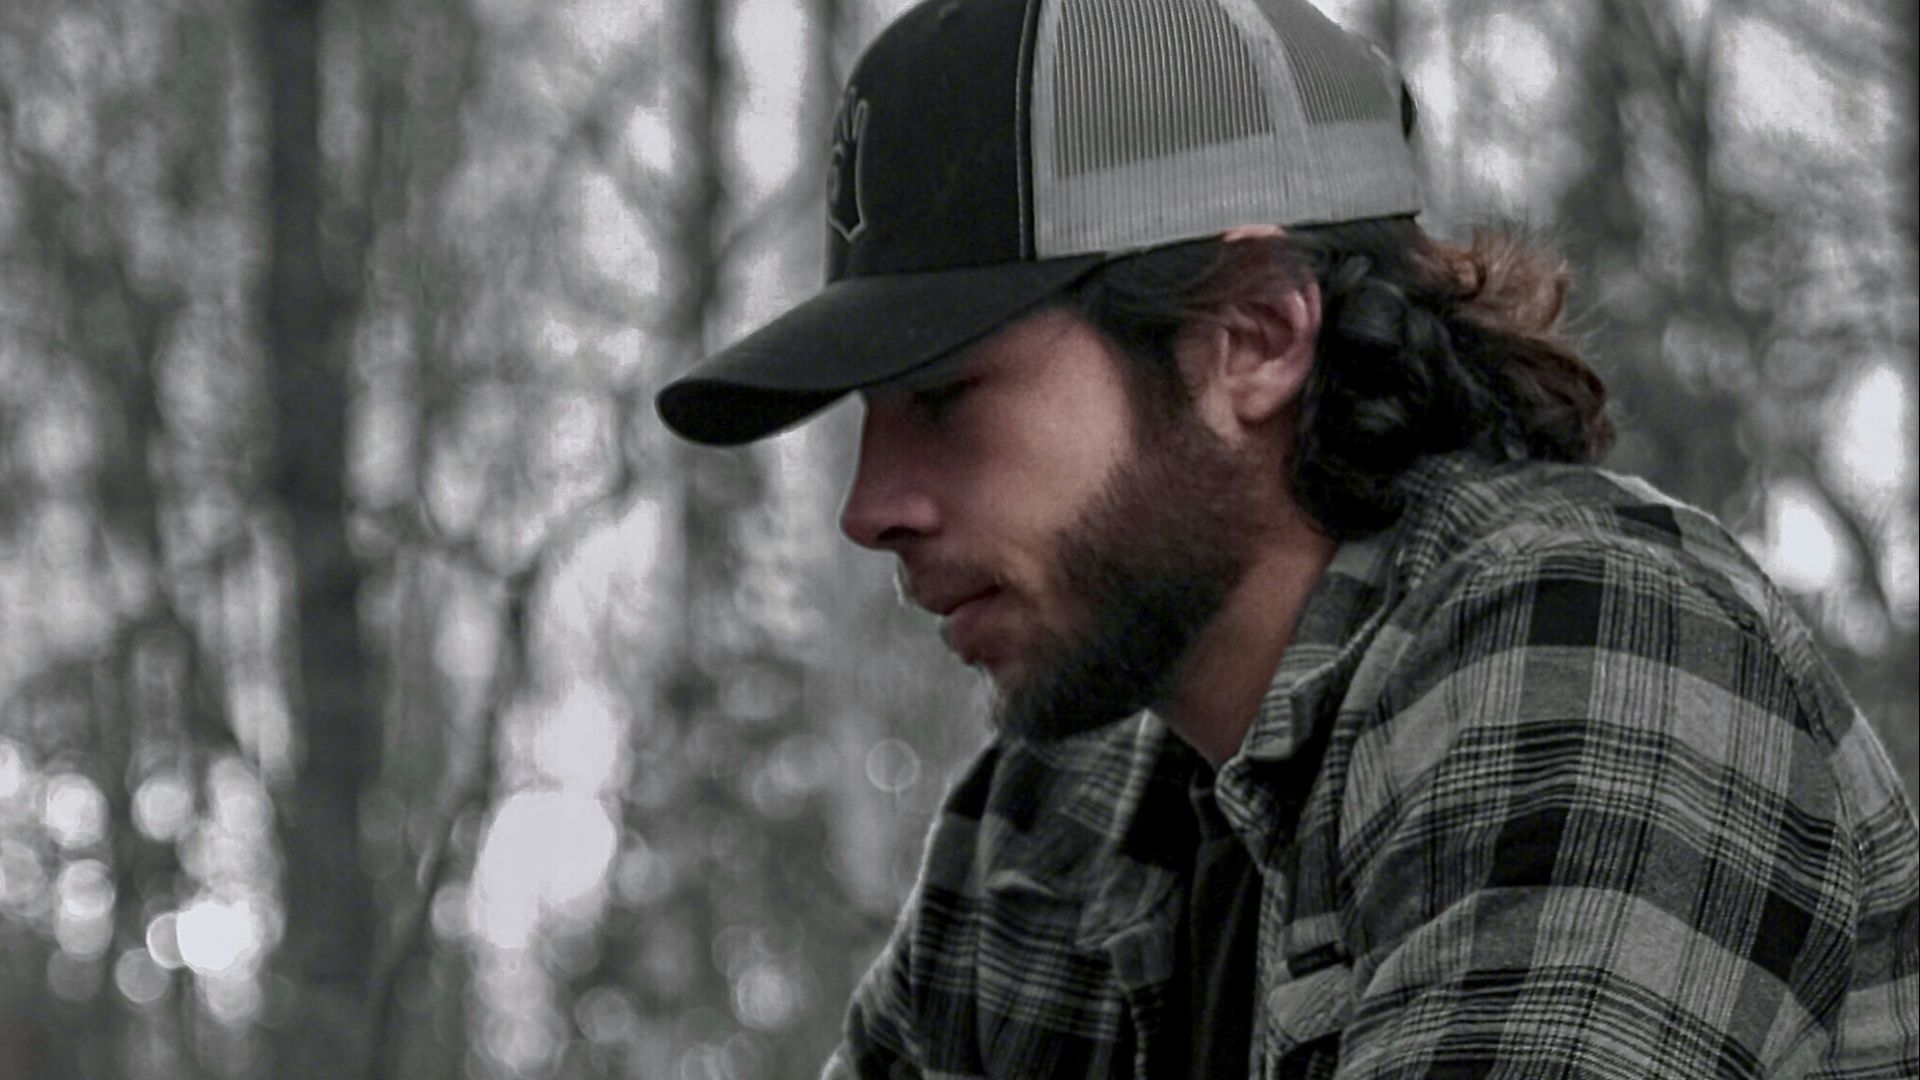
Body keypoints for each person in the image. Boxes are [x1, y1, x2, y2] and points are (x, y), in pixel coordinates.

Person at [656, 0, 1920, 1075]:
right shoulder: (1051, 823)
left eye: (945, 397)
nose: (870, 504)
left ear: (1255, 335)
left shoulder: (1602, 641)